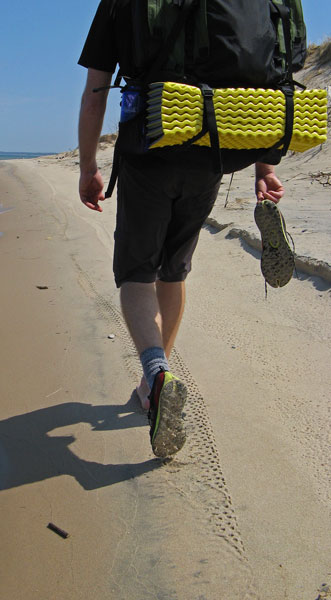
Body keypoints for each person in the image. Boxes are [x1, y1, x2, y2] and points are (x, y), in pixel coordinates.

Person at [77, 0, 285, 459]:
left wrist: (89, 165)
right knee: (174, 270)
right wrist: (264, 166)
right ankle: (155, 380)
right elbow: (272, 78)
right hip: (215, 143)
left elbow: (96, 90)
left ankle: (156, 374)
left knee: (136, 274)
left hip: (150, 147)